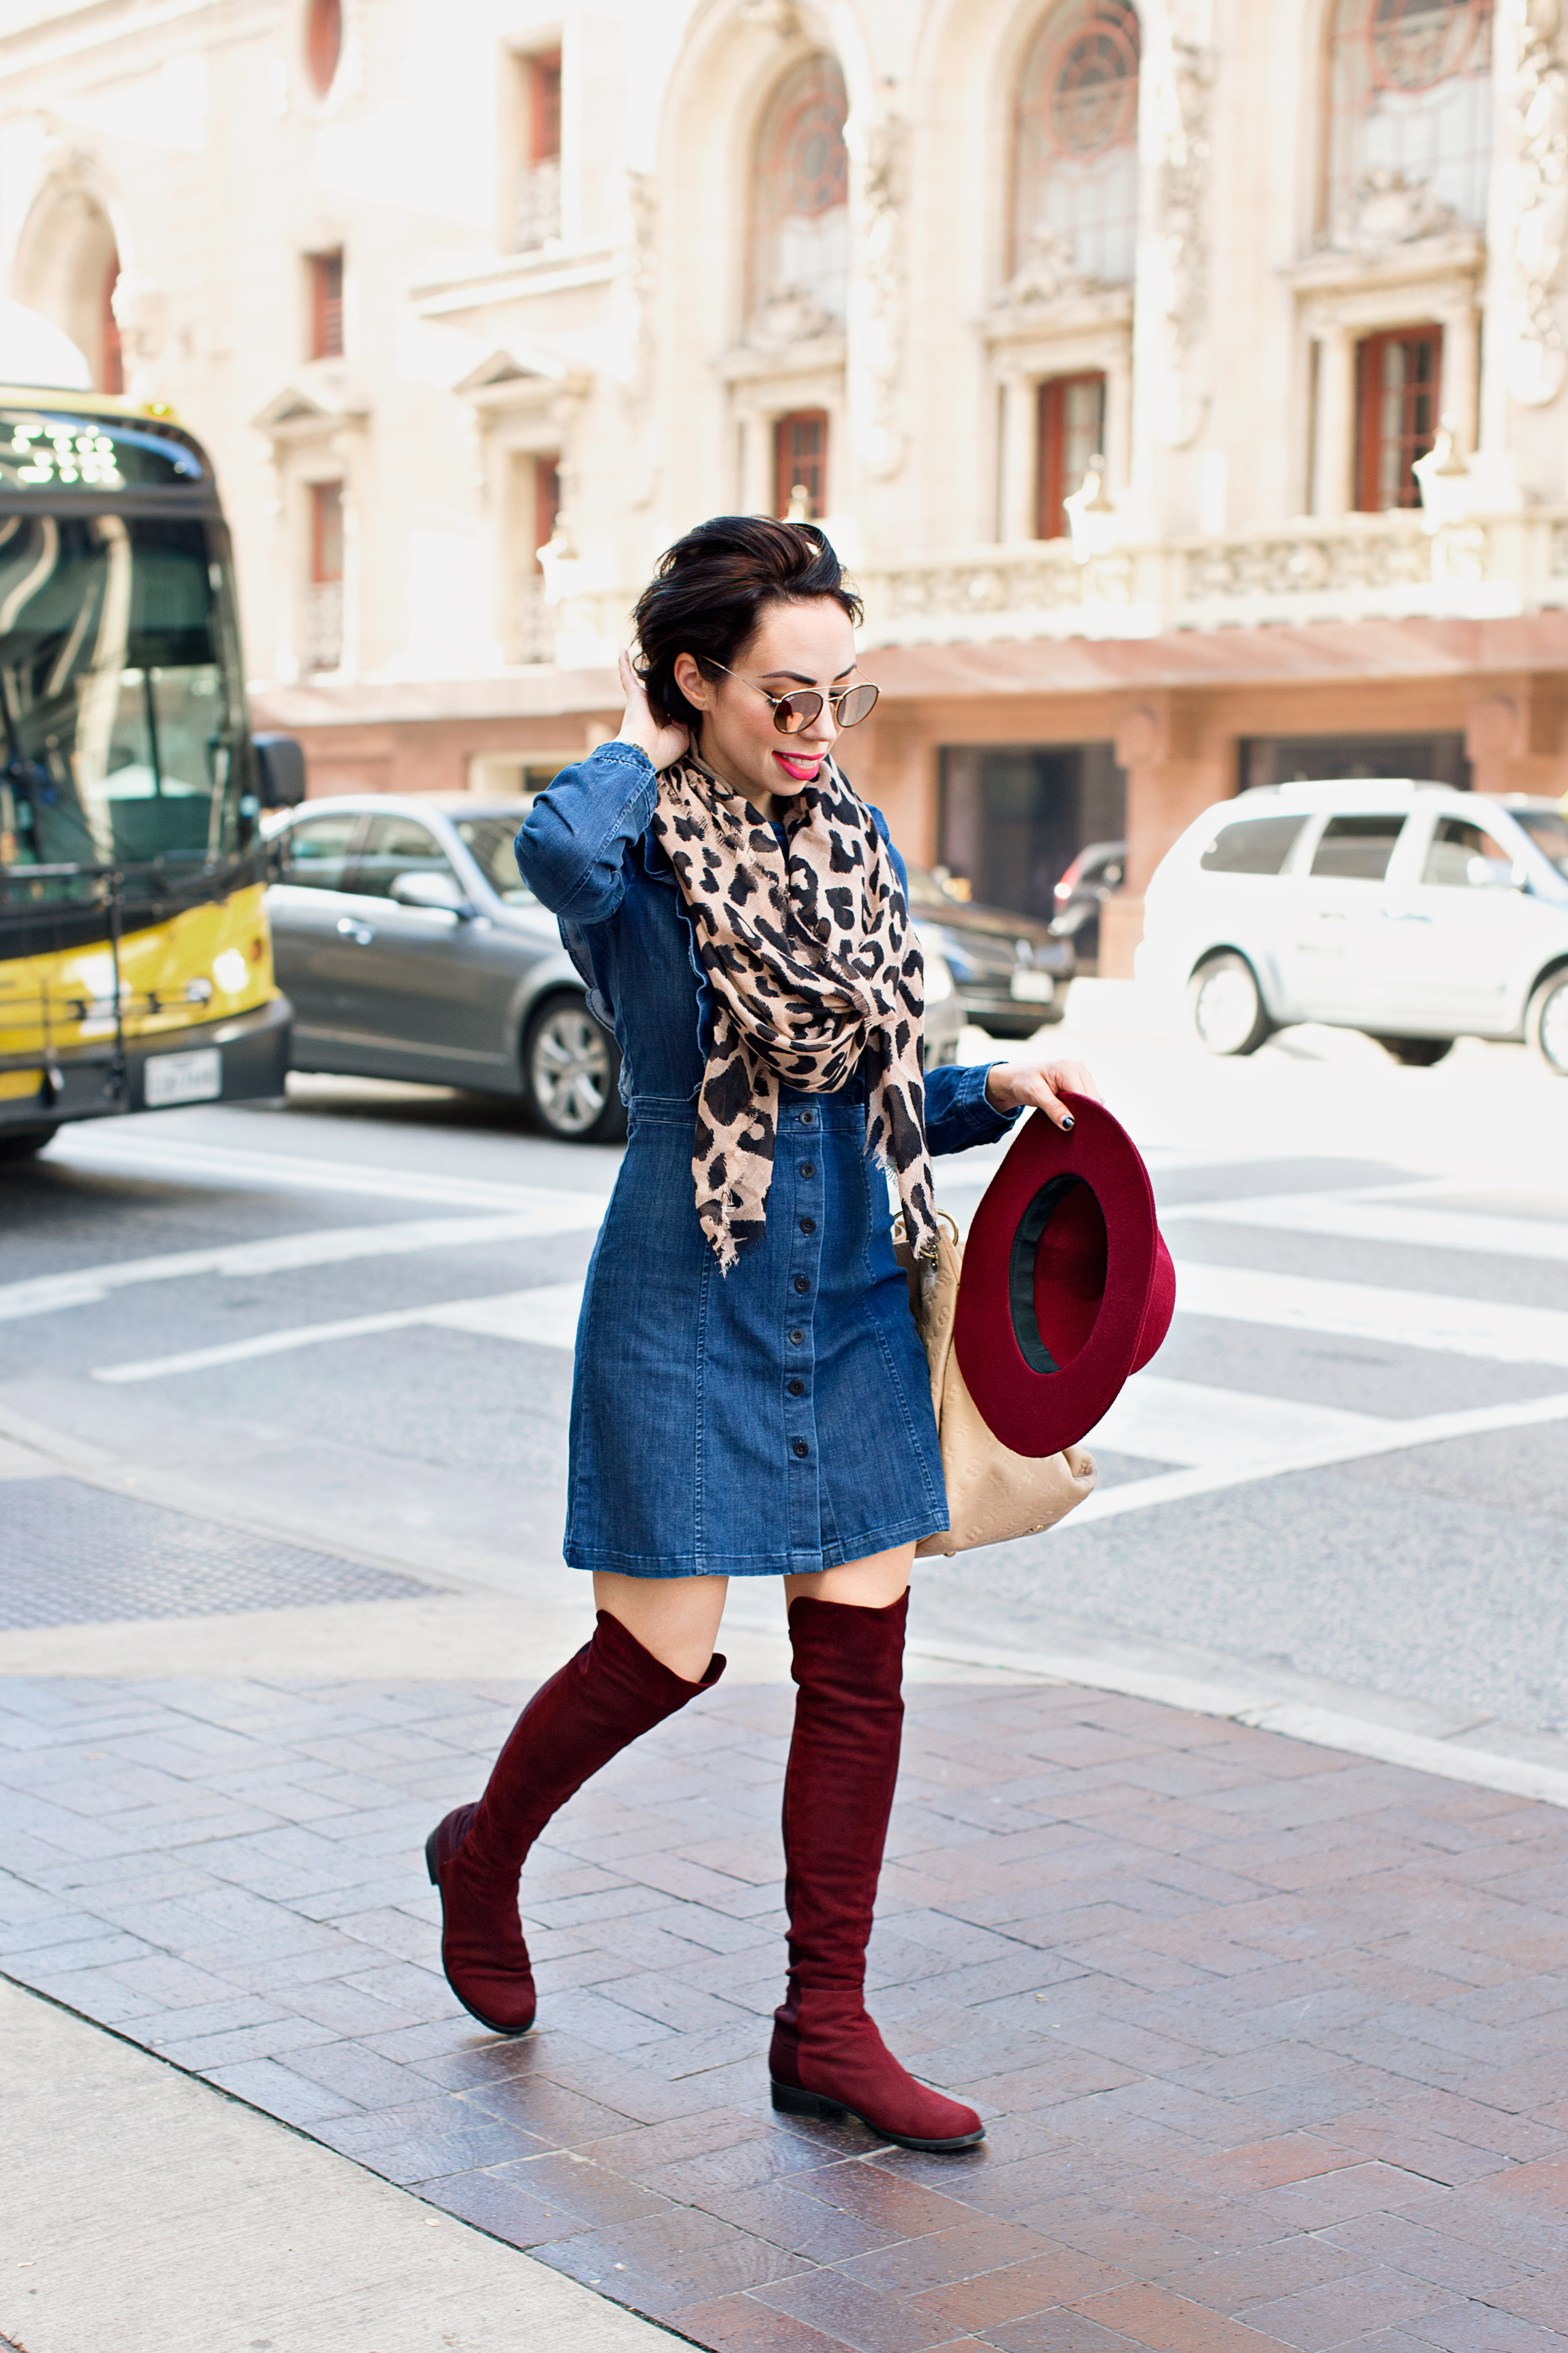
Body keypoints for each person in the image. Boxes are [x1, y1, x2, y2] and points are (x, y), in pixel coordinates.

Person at [426, 516, 1097, 2153]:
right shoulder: (639, 853)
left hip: (857, 1285)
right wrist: (651, 743)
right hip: (687, 1285)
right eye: (782, 696)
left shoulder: (852, 844)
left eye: (839, 698)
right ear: (697, 678)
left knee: (858, 1666)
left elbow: (856, 1086)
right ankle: (484, 1854)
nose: (814, 731)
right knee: (654, 1652)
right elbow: (555, 856)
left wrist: (985, 1088)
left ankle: (826, 2020)